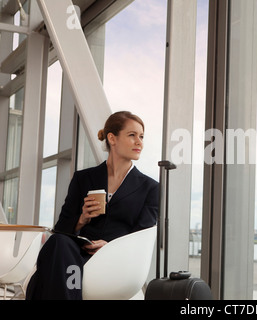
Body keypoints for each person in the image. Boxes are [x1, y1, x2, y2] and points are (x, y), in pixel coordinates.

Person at [26, 111, 159, 300]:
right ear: (112, 138)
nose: (139, 142)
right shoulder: (83, 178)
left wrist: (111, 246)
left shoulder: (150, 188)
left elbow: (140, 235)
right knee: (58, 243)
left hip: (116, 259)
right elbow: (61, 229)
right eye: (132, 135)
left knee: (52, 264)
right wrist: (81, 219)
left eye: (142, 137)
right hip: (76, 254)